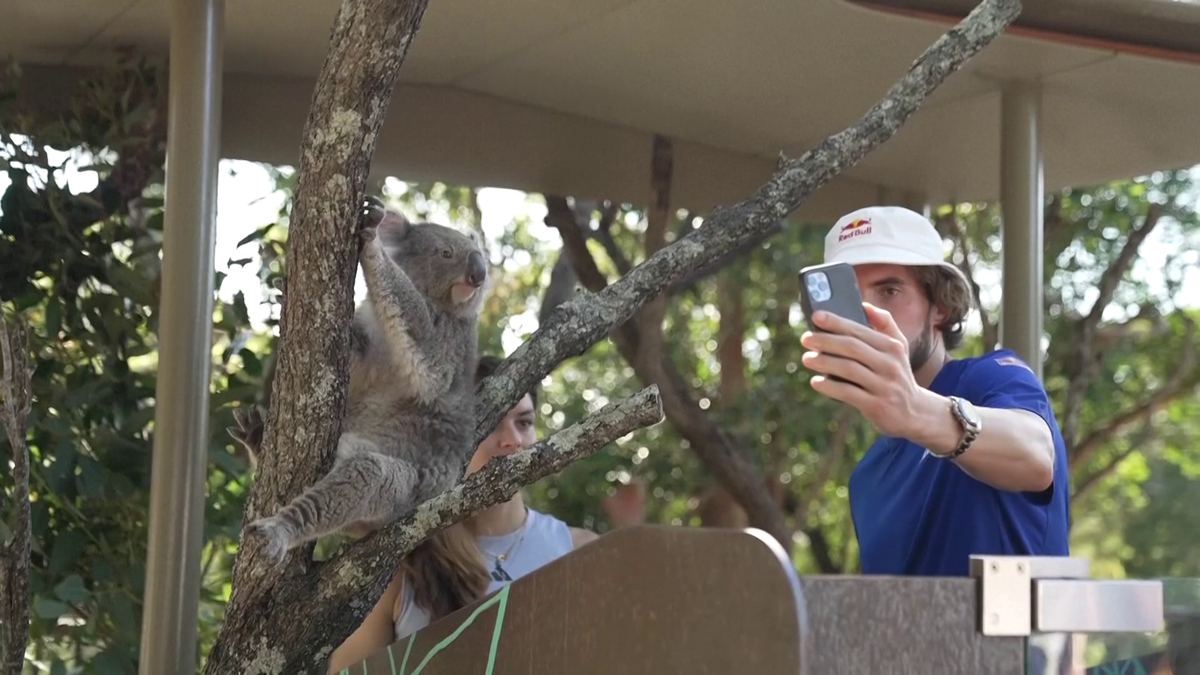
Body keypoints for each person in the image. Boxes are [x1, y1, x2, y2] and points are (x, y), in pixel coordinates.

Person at [798, 205, 1070, 577]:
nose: (869, 314)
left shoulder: (991, 378)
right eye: (851, 298)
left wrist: (916, 410)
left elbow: (1036, 457)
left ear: (939, 306)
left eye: (889, 290)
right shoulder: (866, 477)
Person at [327, 355, 599, 672]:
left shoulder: (582, 552)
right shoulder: (399, 564)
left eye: (524, 423)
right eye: (490, 423)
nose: (513, 441)